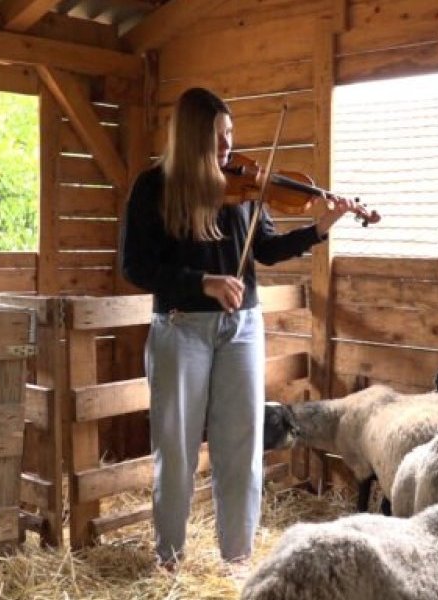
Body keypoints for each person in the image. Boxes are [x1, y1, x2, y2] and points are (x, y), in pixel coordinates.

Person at [119, 87, 357, 568]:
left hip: (242, 328)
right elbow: (136, 265)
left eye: (230, 135)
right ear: (191, 139)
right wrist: (201, 282)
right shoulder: (154, 187)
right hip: (180, 327)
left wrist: (319, 229)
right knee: (177, 448)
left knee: (241, 446)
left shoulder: (243, 188)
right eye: (217, 138)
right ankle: (169, 559)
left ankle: (238, 560)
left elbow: (264, 249)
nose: (229, 149)